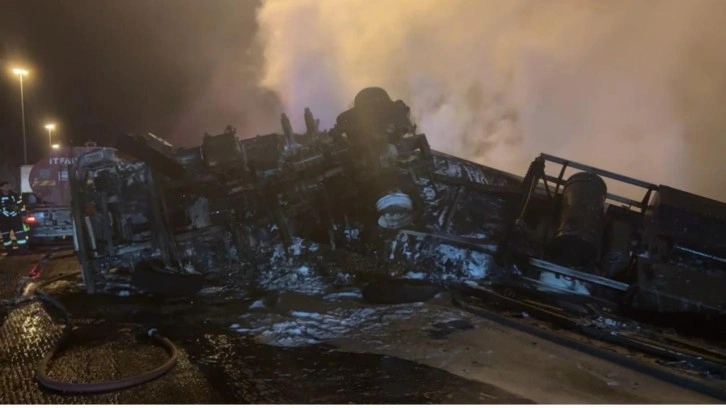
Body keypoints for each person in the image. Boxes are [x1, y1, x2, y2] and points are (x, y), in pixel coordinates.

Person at [0, 181, 28, 255]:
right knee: (6, 236)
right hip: (3, 220)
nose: (8, 187)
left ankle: (23, 250)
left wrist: (23, 214)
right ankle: (9, 252)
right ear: (1, 188)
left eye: (8, 186)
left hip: (16, 219)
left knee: (20, 235)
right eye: (6, 186)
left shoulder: (14, 195)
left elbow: (21, 205)